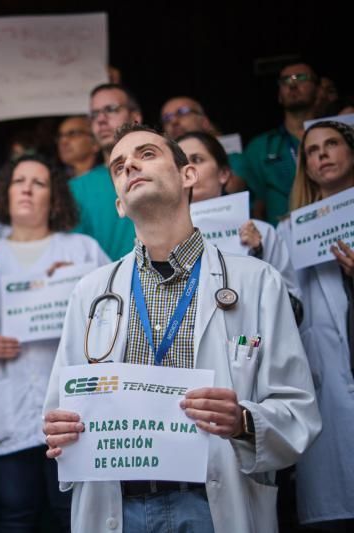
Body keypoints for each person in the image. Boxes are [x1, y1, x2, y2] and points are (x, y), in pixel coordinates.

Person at [43, 124, 320, 532]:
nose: (131, 165)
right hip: (119, 508)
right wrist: (58, 427)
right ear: (119, 204)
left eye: (147, 154)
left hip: (213, 504)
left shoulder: (256, 281)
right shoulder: (90, 292)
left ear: (187, 175)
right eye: (119, 166)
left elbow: (298, 410)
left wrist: (243, 420)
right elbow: (59, 411)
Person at [0, 154, 108, 532]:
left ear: (56, 197)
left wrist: (79, 283)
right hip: (7, 407)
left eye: (39, 183)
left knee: (72, 515)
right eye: (19, 181)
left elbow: (118, 317)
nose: (28, 189)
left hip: (72, 409)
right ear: (5, 193)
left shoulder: (81, 250)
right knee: (13, 514)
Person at [276, 120, 354, 529]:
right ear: (304, 166)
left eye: (333, 144)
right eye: (312, 150)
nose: (322, 153)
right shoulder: (290, 231)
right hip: (322, 379)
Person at [176, 131, 303, 318]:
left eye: (197, 159)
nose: (188, 170)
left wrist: (257, 258)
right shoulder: (162, 242)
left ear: (224, 174)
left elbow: (296, 313)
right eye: (179, 164)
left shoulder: (262, 232)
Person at [244, 61, 319, 225]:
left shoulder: (341, 138)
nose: (292, 84)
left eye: (301, 77)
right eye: (285, 80)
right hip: (283, 241)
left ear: (318, 90)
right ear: (279, 95)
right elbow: (256, 207)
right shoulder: (259, 147)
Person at [69, 84, 139, 260]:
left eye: (111, 109)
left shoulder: (162, 169)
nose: (101, 119)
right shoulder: (75, 188)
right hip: (107, 286)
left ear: (135, 116)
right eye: (94, 115)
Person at [160, 96, 247, 193]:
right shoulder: (163, 165)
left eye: (182, 112)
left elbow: (234, 189)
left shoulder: (233, 157)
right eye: (166, 118)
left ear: (204, 122)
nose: (173, 121)